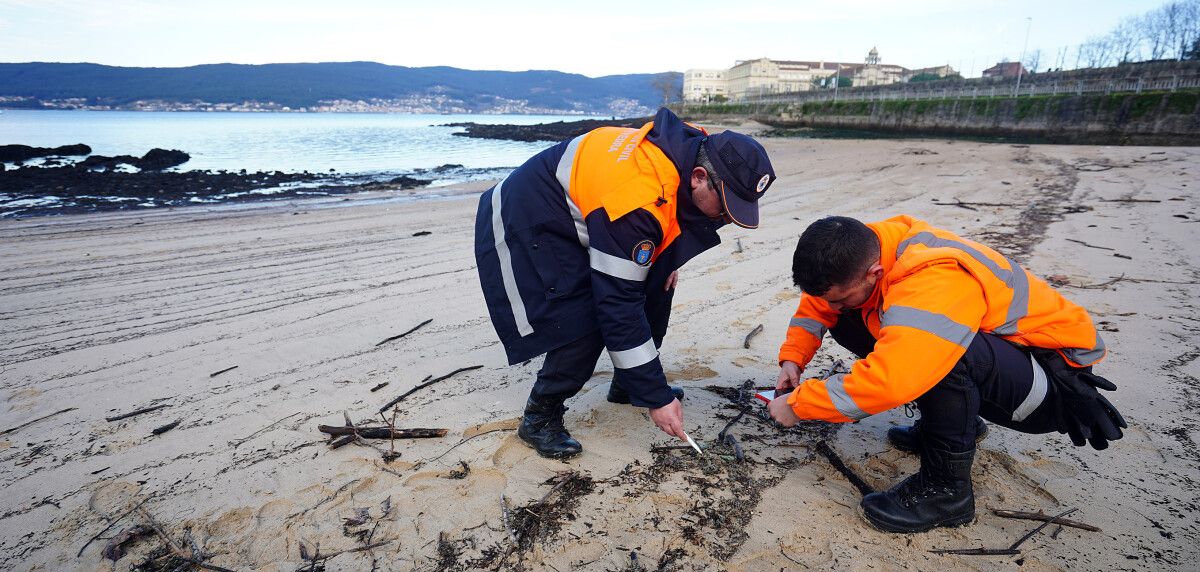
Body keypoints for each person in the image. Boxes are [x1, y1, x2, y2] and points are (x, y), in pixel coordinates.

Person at [767, 215, 1125, 532]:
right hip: (1012, 363)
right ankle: (956, 424)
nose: (830, 306)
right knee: (852, 319)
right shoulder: (873, 246)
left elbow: (894, 378)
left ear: (874, 273)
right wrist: (793, 359)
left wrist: (799, 405)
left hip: (1053, 388)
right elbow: (820, 299)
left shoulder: (933, 279)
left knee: (943, 351)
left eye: (839, 297)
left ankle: (946, 492)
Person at [475, 108, 776, 459]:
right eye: (726, 206)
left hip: (602, 206)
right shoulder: (640, 201)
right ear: (698, 177)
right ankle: (540, 416)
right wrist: (657, 398)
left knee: (658, 285)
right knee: (583, 318)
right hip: (532, 213)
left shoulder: (700, 147)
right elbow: (617, 304)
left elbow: (664, 224)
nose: (726, 218)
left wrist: (664, 261)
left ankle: (628, 385)